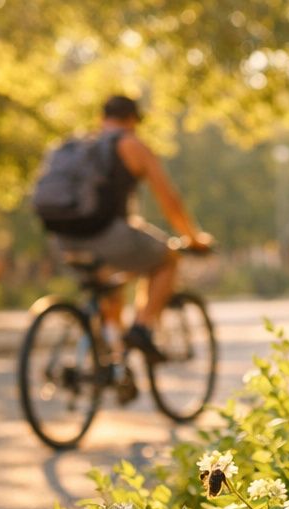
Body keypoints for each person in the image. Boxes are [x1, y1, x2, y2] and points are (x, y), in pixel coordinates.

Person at [45, 95, 211, 363]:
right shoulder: (132, 145)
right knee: (167, 258)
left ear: (102, 119)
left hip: (61, 239)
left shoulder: (78, 146)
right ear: (133, 120)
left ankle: (114, 358)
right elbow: (170, 201)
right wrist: (193, 238)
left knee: (110, 281)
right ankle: (142, 328)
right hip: (106, 236)